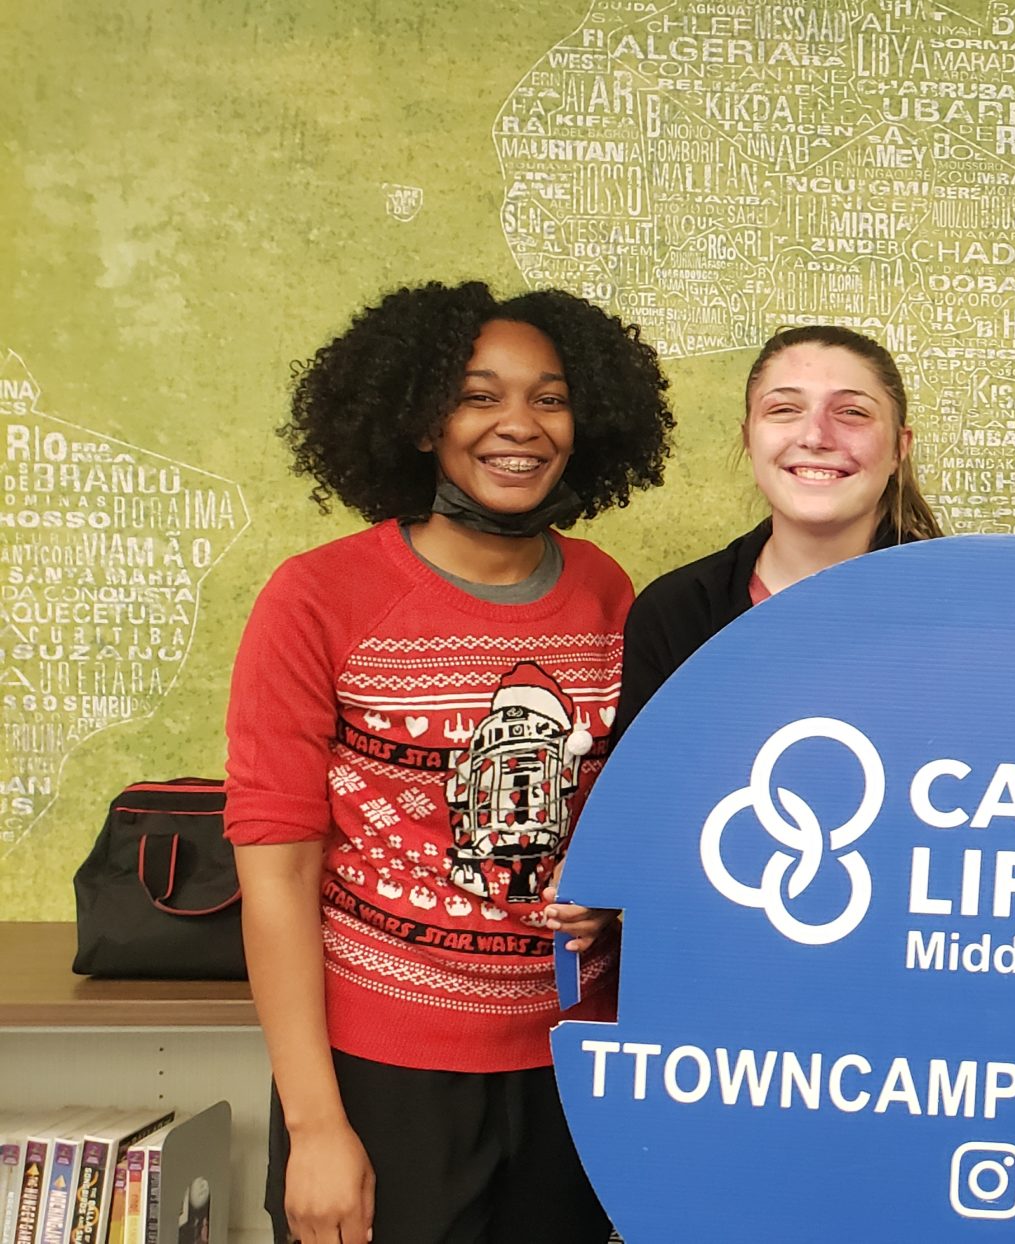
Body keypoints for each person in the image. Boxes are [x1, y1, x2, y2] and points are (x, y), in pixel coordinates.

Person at [225, 281, 675, 1244]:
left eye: (550, 398)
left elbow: (627, 820)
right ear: (422, 420)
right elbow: (277, 874)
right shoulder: (318, 597)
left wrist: (611, 899)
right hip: (385, 1075)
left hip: (566, 1061)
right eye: (479, 396)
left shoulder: (606, 590)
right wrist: (315, 1128)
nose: (520, 424)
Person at [539, 325, 943, 958]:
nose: (817, 435)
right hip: (723, 971)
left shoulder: (962, 620)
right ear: (749, 437)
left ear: (899, 448)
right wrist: (598, 890)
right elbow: (644, 816)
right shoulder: (677, 613)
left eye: (852, 413)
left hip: (908, 964)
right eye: (784, 410)